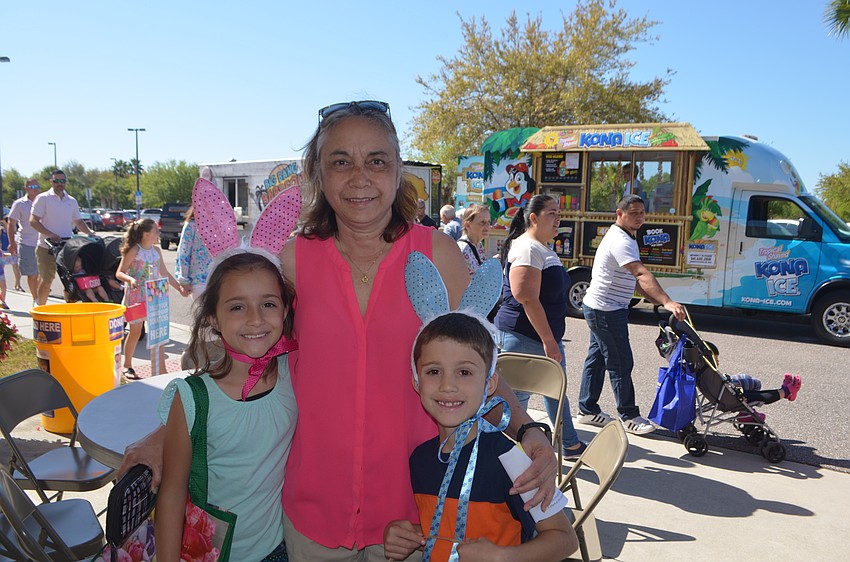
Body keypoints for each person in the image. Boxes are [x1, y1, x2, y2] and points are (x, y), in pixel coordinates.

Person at [117, 100, 557, 562]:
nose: (359, 176)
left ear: (397, 171)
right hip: (311, 519)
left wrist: (529, 430)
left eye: (376, 161)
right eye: (341, 162)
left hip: (413, 520)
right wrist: (167, 434)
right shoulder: (291, 261)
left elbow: (477, 367)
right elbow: (245, 354)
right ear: (319, 176)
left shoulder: (438, 253)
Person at [384, 313, 576, 562]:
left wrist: (502, 557)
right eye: (434, 371)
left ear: (490, 383)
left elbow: (564, 538)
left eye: (464, 372)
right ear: (416, 381)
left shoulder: (512, 461)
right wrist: (403, 537)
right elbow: (443, 533)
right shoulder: (419, 460)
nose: (447, 385)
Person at [156, 252, 296, 562]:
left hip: (277, 549)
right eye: (237, 307)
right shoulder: (192, 398)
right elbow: (172, 493)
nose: (255, 318)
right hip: (213, 555)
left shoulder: (293, 371)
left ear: (285, 310)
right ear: (213, 318)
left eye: (269, 304)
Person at [577, 194, 686, 435]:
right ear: (619, 214)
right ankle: (629, 415)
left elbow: (632, 280)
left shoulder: (626, 237)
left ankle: (586, 410)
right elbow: (639, 274)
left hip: (601, 307)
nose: (639, 217)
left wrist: (654, 297)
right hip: (605, 310)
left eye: (642, 213)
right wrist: (666, 301)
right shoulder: (621, 240)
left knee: (597, 359)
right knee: (620, 361)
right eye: (633, 213)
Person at [494, 194, 586, 459]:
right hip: (524, 337)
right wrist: (548, 340)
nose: (558, 219)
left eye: (559, 213)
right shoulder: (527, 248)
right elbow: (524, 295)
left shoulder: (540, 247)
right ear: (533, 218)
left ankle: (568, 443)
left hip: (539, 338)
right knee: (515, 406)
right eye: (551, 213)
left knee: (554, 392)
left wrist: (550, 340)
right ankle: (507, 459)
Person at [115, 219, 188, 379]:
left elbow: (164, 273)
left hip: (155, 296)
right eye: (156, 230)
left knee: (158, 333)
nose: (158, 233)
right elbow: (119, 272)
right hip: (136, 296)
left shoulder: (156, 250)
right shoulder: (134, 250)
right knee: (135, 332)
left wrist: (179, 288)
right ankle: (127, 365)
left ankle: (161, 369)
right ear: (146, 234)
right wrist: (130, 280)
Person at [29, 170, 94, 305]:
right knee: (47, 280)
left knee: (70, 281)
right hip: (46, 247)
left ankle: (69, 308)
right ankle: (40, 309)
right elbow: (33, 221)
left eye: (62, 181)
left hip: (66, 248)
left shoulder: (71, 201)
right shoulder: (43, 198)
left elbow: (78, 221)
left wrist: (90, 232)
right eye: (56, 181)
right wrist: (50, 234)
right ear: (51, 182)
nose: (60, 184)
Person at [8, 178, 42, 305]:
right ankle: (36, 299)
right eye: (33, 187)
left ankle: (39, 293)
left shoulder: (44, 201)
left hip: (44, 243)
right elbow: (11, 224)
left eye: (37, 186)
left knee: (44, 274)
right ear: (26, 188)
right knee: (32, 274)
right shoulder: (20, 204)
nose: (36, 189)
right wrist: (12, 243)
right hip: (27, 243)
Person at [175, 206, 213, 299]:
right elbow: (183, 252)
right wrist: (184, 280)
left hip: (217, 278)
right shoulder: (192, 225)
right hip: (198, 280)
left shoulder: (218, 226)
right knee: (205, 312)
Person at [456, 203, 491, 276]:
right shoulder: (462, 249)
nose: (487, 227)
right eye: (482, 222)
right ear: (467, 225)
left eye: (488, 222)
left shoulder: (478, 245)